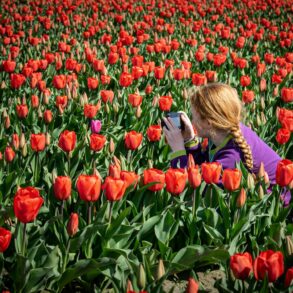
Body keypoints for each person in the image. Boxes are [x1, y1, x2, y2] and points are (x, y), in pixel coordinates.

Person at [162, 83, 290, 203]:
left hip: (272, 205)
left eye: (194, 116)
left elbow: (196, 188)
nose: (192, 121)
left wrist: (178, 151)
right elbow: (202, 168)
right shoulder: (224, 133)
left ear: (208, 122)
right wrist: (190, 140)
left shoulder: (233, 155)